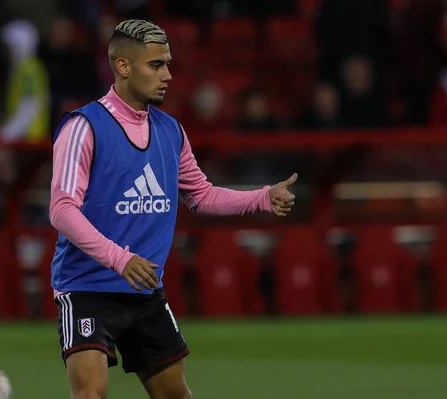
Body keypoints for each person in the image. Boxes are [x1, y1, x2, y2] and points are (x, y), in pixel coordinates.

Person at [49, 19, 297, 399]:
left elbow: (201, 195)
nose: (167, 75)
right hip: (87, 287)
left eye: (167, 64)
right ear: (123, 67)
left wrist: (263, 197)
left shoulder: (171, 131)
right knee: (90, 394)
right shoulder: (84, 127)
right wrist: (120, 259)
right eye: (156, 65)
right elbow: (62, 210)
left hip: (144, 289)